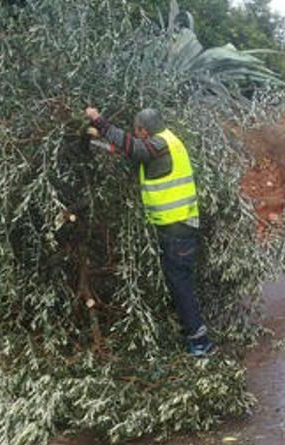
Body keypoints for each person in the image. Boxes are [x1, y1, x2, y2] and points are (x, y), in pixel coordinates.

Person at [85, 106, 214, 357]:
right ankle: (194, 334)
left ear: (146, 129)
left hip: (178, 227)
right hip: (177, 225)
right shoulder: (166, 142)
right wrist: (102, 144)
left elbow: (137, 149)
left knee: (180, 283)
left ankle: (200, 342)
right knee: (178, 281)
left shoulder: (161, 144)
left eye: (138, 131)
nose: (137, 135)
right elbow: (136, 153)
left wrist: (100, 122)